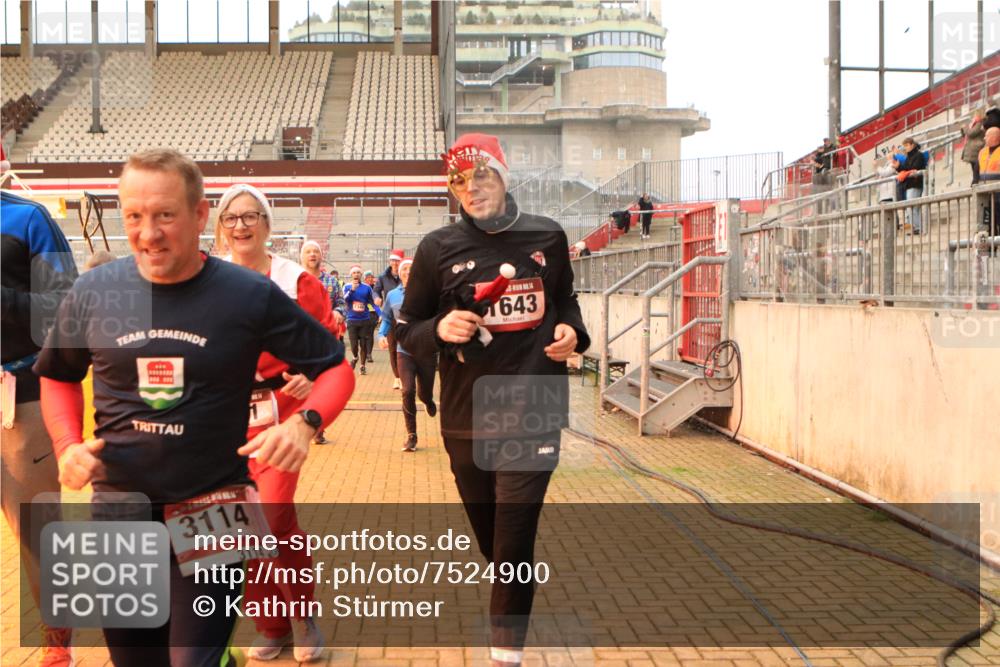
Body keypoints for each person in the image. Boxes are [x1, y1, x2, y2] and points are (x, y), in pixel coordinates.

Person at [34, 149, 355, 667]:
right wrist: (67, 444)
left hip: (214, 509)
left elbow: (336, 368)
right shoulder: (95, 290)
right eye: (134, 216)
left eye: (165, 215)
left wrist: (305, 423)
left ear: (201, 215)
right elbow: (57, 375)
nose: (148, 233)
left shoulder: (247, 293)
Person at [396, 133, 589, 667]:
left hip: (535, 408)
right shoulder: (438, 248)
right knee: (496, 546)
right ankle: (514, 586)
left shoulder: (547, 237)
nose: (472, 188)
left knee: (512, 546)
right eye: (459, 180)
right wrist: (440, 327)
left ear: (503, 177)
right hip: (468, 416)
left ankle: (505, 653)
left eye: (482, 175)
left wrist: (574, 333)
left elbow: (566, 300)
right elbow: (407, 331)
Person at [216, 183, 342, 660]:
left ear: (267, 225)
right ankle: (271, 625)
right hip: (222, 418)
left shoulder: (294, 281)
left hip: (279, 416)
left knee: (269, 513)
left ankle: (303, 617)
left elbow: (328, 349)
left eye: (251, 216)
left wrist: (310, 380)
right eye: (231, 217)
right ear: (220, 228)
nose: (241, 225)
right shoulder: (206, 276)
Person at [1, 185, 78, 667]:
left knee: (38, 529)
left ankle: (56, 641)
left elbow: (64, 305)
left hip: (21, 389)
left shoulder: (29, 219)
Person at [378, 258, 437, 452]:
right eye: (404, 269)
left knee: (423, 392)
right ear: (399, 272)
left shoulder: (427, 294)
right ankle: (411, 435)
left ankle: (428, 400)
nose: (408, 272)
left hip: (426, 350)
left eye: (412, 268)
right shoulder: (393, 295)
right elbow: (387, 317)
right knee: (407, 390)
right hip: (404, 351)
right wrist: (381, 335)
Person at [300, 239, 346, 337]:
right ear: (301, 257)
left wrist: (338, 311)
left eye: (316, 251)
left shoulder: (332, 281)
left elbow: (342, 303)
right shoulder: (294, 280)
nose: (312, 254)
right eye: (308, 252)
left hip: (327, 337)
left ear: (321, 257)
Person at [374, 249, 404, 389]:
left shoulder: (407, 275)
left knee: (404, 346)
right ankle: (397, 377)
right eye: (392, 260)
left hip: (405, 317)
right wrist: (377, 298)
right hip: (390, 316)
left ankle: (406, 375)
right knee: (392, 347)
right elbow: (375, 290)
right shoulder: (383, 277)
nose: (395, 263)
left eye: (397, 260)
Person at [344, 264, 379, 375]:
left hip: (364, 320)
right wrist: (352, 290)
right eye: (354, 272)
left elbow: (372, 302)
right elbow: (345, 299)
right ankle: (355, 357)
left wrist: (380, 313)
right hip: (352, 320)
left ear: (361, 274)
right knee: (354, 345)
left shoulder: (367, 287)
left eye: (358, 272)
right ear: (351, 274)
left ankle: (363, 366)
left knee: (363, 344)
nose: (356, 274)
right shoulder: (347, 286)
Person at [897, 137, 928, 235]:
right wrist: (898, 167)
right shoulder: (908, 157)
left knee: (912, 207)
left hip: (915, 183)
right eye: (904, 146)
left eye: (906, 145)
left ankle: (917, 227)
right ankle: (916, 227)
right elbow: (906, 168)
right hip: (910, 185)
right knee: (913, 208)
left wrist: (905, 170)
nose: (905, 148)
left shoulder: (919, 155)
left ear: (912, 145)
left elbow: (915, 167)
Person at [962, 109, 987, 185]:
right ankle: (975, 181)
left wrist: (965, 128)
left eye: (975, 115)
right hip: (972, 148)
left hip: (977, 148)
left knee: (976, 166)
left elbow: (971, 133)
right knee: (974, 166)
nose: (974, 116)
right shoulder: (974, 123)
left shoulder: (980, 123)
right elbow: (967, 135)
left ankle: (976, 181)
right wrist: (963, 130)